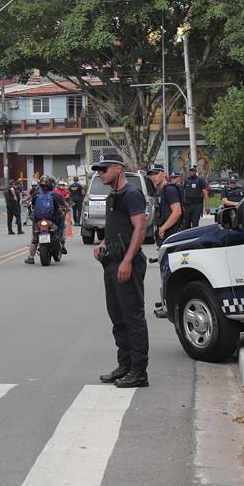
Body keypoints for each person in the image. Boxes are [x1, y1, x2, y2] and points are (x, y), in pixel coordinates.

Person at [91, 153, 149, 388]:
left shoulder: (132, 194)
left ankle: (138, 372)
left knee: (132, 317)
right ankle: (124, 365)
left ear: (118, 168)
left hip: (128, 264)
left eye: (104, 169)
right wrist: (103, 244)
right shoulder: (113, 196)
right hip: (111, 263)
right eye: (98, 170)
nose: (100, 174)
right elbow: (117, 227)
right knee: (117, 318)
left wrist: (127, 260)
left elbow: (140, 228)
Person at [24, 176, 68, 263]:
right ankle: (62, 242)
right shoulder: (56, 195)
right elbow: (65, 205)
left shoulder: (36, 193)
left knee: (35, 236)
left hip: (39, 220)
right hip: (52, 220)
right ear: (52, 185)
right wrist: (67, 208)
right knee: (63, 221)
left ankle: (31, 257)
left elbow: (32, 204)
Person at [147, 165, 183, 246]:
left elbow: (177, 212)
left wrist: (163, 228)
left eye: (156, 173)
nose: (153, 177)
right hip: (163, 232)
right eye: (151, 175)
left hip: (171, 232)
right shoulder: (159, 191)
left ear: (163, 174)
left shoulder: (169, 190)